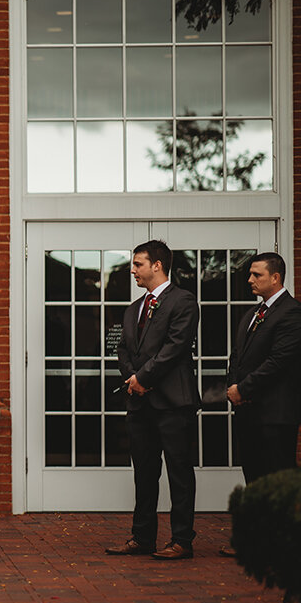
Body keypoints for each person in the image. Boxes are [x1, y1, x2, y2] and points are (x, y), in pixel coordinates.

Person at [107, 240, 200, 561]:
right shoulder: (133, 309)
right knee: (144, 473)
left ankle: (182, 541)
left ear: (157, 266)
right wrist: (133, 378)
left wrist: (142, 378)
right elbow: (121, 349)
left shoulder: (183, 302)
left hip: (174, 402)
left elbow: (175, 347)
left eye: (138, 264)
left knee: (179, 472)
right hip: (140, 404)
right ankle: (142, 537)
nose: (132, 270)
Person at [223, 252, 301, 556]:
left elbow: (279, 362)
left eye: (256, 275)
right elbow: (238, 355)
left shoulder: (292, 313)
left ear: (276, 278)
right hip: (249, 411)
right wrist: (232, 386)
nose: (250, 280)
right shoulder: (253, 314)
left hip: (275, 413)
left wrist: (244, 388)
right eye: (250, 274)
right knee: (254, 477)